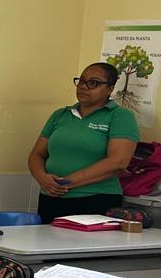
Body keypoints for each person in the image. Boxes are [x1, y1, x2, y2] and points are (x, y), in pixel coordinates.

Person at [27, 62, 139, 224]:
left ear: (110, 88)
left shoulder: (119, 116)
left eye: (93, 83)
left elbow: (119, 161)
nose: (84, 87)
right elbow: (37, 154)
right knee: (47, 239)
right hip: (51, 197)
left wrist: (66, 183)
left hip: (95, 199)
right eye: (81, 81)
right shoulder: (60, 115)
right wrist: (42, 178)